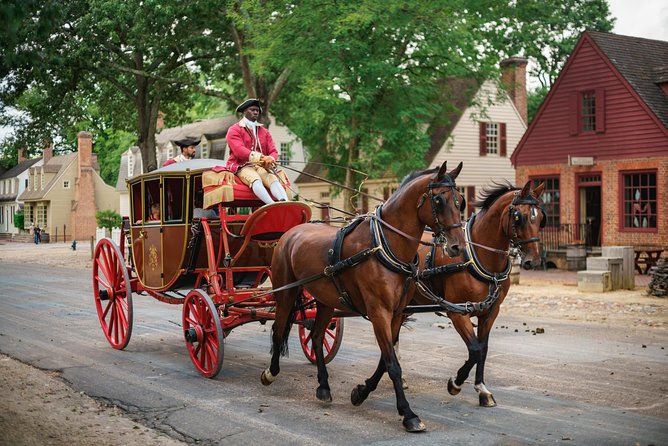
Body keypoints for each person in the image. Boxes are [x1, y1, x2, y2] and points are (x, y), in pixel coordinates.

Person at [225, 98, 288, 204]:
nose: (255, 112)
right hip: (242, 166)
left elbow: (273, 151)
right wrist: (262, 157)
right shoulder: (234, 130)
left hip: (261, 166)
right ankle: (271, 204)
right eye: (252, 109)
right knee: (255, 179)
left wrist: (271, 159)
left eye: (257, 110)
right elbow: (239, 151)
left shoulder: (264, 131)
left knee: (272, 177)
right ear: (245, 111)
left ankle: (285, 202)